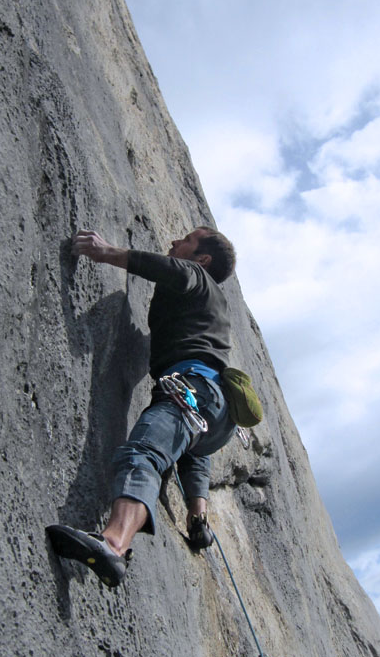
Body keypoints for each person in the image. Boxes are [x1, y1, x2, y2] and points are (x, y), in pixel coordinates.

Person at [46, 226, 237, 587]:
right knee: (187, 441)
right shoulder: (213, 308)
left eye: (186, 240)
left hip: (190, 391)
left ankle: (113, 546)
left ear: (202, 259)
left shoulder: (194, 274)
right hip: (215, 411)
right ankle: (199, 521)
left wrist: (106, 253)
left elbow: (169, 269)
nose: (174, 243)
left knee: (144, 453)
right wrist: (197, 516)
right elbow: (194, 449)